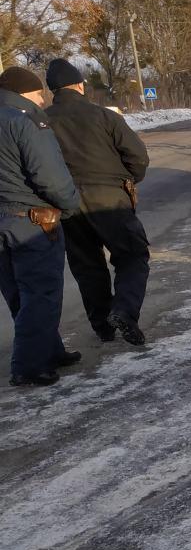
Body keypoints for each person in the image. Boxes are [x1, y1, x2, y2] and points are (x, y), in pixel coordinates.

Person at [44, 58, 151, 345]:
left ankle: (103, 326)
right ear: (80, 85)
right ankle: (125, 312)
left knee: (87, 265)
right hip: (110, 197)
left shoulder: (41, 121)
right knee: (132, 256)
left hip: (66, 202)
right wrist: (128, 180)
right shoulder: (105, 116)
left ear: (51, 89)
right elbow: (138, 157)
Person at [0, 66, 83, 387]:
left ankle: (49, 350)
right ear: (24, 93)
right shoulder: (27, 122)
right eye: (38, 93)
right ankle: (28, 365)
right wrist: (71, 205)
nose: (42, 98)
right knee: (41, 293)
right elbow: (49, 176)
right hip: (31, 222)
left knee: (19, 292)